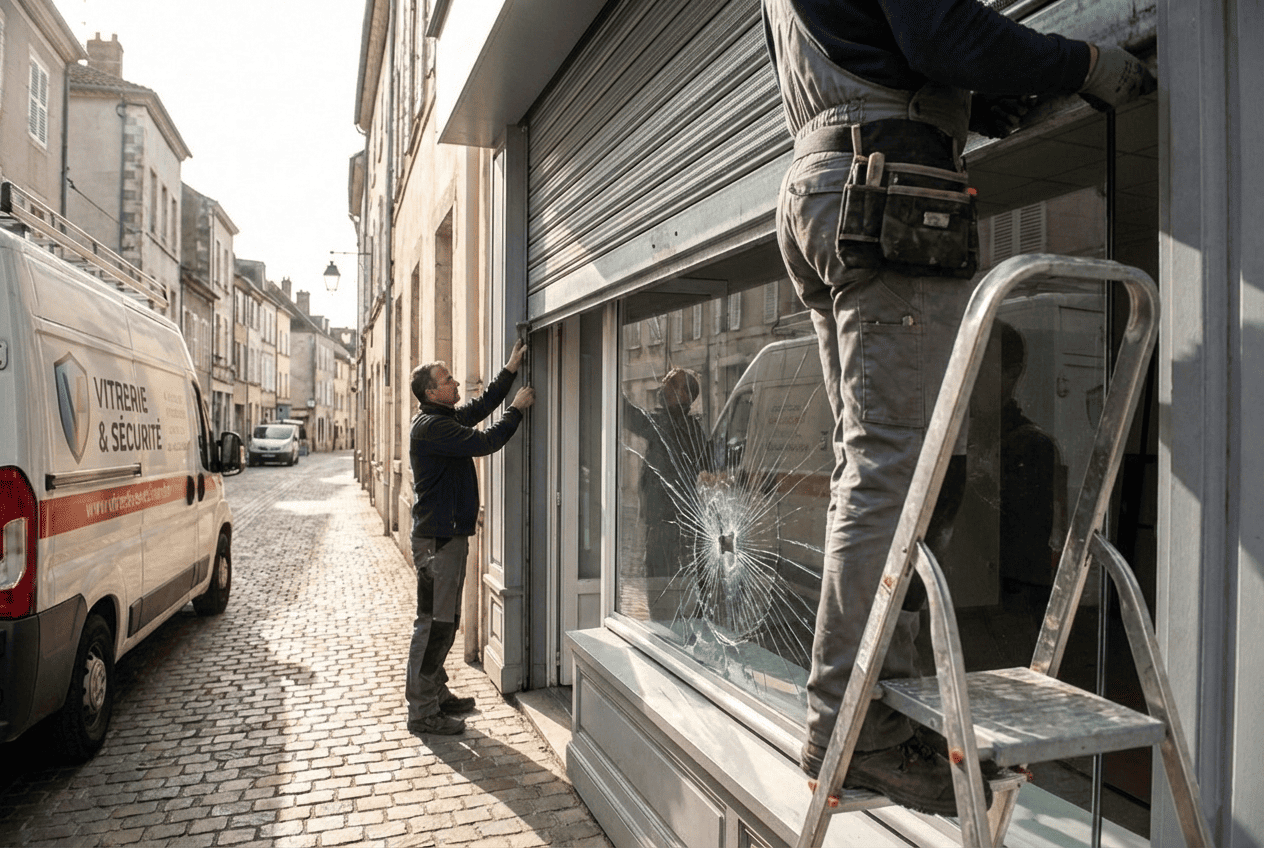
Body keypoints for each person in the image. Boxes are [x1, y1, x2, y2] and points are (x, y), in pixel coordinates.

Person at [761, 0, 1155, 814]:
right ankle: (856, 729)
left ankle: (863, 711)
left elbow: (887, 48)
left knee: (877, 469)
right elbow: (940, 33)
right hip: (883, 185)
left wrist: (977, 97)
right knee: (896, 473)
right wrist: (1082, 65)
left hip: (823, 181)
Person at [405, 340, 535, 736]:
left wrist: (510, 371)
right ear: (431, 392)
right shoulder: (433, 428)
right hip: (439, 542)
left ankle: (436, 693)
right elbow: (484, 442)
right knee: (435, 624)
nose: (456, 381)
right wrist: (516, 410)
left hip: (445, 538)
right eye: (448, 379)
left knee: (445, 620)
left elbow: (478, 410)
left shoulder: (439, 418)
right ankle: (423, 710)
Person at [622, 368, 713, 579]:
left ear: (685, 396)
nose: (663, 386)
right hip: (674, 522)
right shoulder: (691, 427)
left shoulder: (670, 424)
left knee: (660, 582)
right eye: (665, 380)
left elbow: (630, 416)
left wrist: (610, 381)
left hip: (666, 523)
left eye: (671, 384)